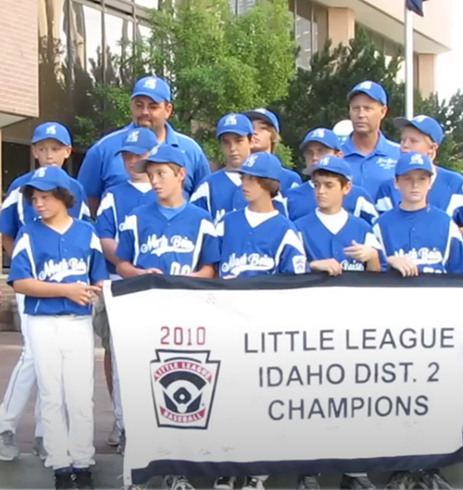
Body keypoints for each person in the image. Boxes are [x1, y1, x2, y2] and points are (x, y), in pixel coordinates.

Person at [115, 144, 221, 490]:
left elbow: (210, 268)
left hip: (186, 318)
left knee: (183, 392)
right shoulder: (136, 216)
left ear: (180, 174)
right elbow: (122, 264)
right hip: (145, 315)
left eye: (161, 173)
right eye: (150, 174)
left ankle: (179, 469)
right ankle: (139, 469)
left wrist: (186, 281)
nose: (154, 180)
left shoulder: (202, 220)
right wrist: (143, 274)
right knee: (143, 390)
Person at [0, 121, 89, 462]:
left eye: (54, 148)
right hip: (33, 280)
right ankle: (4, 427)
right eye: (41, 147)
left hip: (70, 284)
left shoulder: (73, 188)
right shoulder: (21, 187)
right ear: (33, 151)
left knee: (58, 359)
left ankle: (46, 434)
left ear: (66, 152)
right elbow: (7, 233)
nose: (48, 154)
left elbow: (83, 234)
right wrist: (24, 268)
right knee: (34, 355)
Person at [372, 151, 463, 490]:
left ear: (431, 182)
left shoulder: (445, 223)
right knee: (398, 396)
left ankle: (431, 467)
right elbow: (368, 276)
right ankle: (401, 466)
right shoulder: (381, 224)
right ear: (396, 182)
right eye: (408, 178)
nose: (415, 184)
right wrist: (387, 259)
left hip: (437, 323)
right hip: (394, 323)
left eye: (421, 178)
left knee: (434, 395)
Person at [7, 165, 109, 490]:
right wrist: (66, 289)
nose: (39, 203)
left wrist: (100, 293)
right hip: (42, 321)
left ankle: (83, 461)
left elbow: (99, 276)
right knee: (52, 394)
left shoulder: (85, 232)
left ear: (64, 197)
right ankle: (60, 464)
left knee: (80, 396)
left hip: (79, 322)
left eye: (46, 197)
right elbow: (20, 282)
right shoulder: (29, 233)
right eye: (35, 198)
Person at [212, 152, 307, 490]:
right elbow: (210, 270)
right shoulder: (227, 223)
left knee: (260, 400)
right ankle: (226, 464)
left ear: (269, 185)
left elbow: (295, 281)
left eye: (251, 179)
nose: (245, 184)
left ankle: (257, 472)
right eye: (243, 179)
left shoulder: (285, 228)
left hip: (264, 328)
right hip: (228, 322)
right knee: (226, 396)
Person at [290, 154, 382, 490]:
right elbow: (287, 273)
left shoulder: (362, 228)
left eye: (329, 185)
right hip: (311, 326)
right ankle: (308, 471)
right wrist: (314, 264)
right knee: (310, 400)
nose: (321, 191)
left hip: (353, 327)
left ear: (347, 188)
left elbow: (379, 282)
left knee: (353, 401)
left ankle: (353, 470)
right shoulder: (299, 225)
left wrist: (373, 258)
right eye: (317, 185)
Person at [92, 126, 159, 450]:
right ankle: (123, 424)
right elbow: (104, 237)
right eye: (128, 156)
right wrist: (129, 264)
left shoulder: (166, 191)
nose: (132, 161)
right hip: (122, 281)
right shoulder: (115, 194)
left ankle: (157, 423)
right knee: (121, 359)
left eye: (139, 155)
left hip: (160, 286)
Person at [78, 75, 211, 215]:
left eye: (153, 106)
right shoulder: (104, 149)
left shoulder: (191, 151)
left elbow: (203, 201)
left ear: (168, 109)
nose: (144, 112)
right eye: (139, 105)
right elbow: (86, 200)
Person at [373, 115, 463, 233]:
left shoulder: (454, 184)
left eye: (413, 141)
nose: (405, 145)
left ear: (432, 148)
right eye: (403, 140)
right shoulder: (388, 188)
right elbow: (379, 231)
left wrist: (443, 236)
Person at [190, 114, 285, 223]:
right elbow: (193, 225)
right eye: (226, 142)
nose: (232, 148)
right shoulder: (208, 185)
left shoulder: (265, 181)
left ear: (251, 141)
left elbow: (279, 224)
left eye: (238, 141)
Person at [285, 128, 378, 226]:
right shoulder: (291, 196)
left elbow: (375, 232)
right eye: (309, 153)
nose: (314, 157)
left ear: (339, 155)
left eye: (321, 151)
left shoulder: (358, 195)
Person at [339, 81, 401, 192]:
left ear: (383, 111)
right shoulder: (336, 154)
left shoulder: (399, 155)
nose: (361, 115)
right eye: (356, 108)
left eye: (368, 109)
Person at [242, 107, 303, 190]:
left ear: (273, 134)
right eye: (251, 128)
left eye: (262, 128)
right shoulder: (238, 174)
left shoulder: (289, 178)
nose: (254, 132)